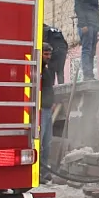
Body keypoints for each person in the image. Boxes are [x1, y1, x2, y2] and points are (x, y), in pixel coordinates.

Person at [73, 0, 99, 81]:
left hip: (94, 25)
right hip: (86, 24)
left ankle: (91, 74)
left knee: (92, 51)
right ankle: (87, 74)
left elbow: (96, 11)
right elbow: (78, 7)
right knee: (87, 50)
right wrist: (83, 24)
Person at [40, 43, 56, 183]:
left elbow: (49, 89)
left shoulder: (47, 70)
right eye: (46, 54)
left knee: (47, 143)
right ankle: (38, 173)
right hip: (40, 111)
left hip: (48, 110)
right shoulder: (37, 70)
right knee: (40, 143)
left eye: (50, 54)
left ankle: (45, 173)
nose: (48, 57)